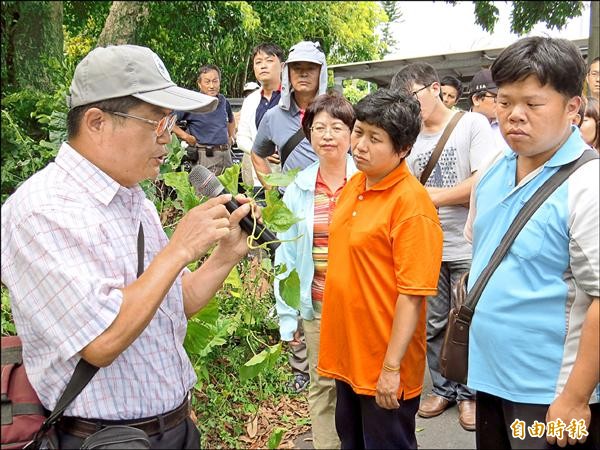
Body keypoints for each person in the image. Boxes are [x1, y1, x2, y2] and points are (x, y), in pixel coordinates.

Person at [0, 45, 257, 449]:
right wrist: (178, 250)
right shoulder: (40, 212)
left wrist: (225, 255)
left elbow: (178, 299)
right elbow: (102, 342)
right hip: (104, 439)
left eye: (170, 121)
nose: (168, 137)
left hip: (173, 429)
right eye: (156, 121)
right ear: (97, 122)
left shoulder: (133, 198)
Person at [465, 36, 599, 450]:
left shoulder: (588, 185)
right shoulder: (493, 169)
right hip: (489, 380)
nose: (514, 116)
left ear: (572, 107)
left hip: (549, 397)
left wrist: (575, 398)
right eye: (504, 102)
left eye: (533, 104)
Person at [317, 89, 443, 449]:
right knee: (351, 442)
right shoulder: (355, 184)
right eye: (358, 132)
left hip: (384, 363)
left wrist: (391, 369)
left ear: (403, 149)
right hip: (347, 354)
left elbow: (413, 295)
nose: (360, 145)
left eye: (375, 139)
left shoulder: (412, 205)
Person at [390, 62, 495, 431]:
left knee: (467, 320)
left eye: (413, 96)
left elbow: (484, 180)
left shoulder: (473, 125)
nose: (410, 105)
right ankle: (445, 388)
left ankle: (470, 395)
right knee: (433, 322)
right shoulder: (408, 136)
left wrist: (432, 198)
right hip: (426, 245)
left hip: (467, 242)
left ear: (435, 88)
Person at [274, 94, 357, 449]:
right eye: (319, 127)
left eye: (337, 127)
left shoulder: (367, 181)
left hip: (361, 306)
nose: (328, 135)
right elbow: (286, 257)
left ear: (352, 134)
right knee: (323, 385)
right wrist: (287, 317)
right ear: (308, 135)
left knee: (360, 386)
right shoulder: (299, 188)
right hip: (318, 304)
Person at [251, 40, 328, 189]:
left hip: (331, 204)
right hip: (290, 206)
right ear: (288, 72)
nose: (303, 74)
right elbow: (257, 154)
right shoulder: (273, 116)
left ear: (321, 72)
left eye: (311, 68)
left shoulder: (337, 114)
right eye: (297, 68)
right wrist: (273, 190)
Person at [237, 43, 285, 196]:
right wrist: (260, 151)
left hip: (290, 177)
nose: (263, 66)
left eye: (269, 60)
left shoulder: (293, 98)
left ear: (282, 66)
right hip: (260, 178)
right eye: (258, 62)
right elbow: (242, 137)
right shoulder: (250, 100)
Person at [173, 64, 236, 176]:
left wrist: (231, 136)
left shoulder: (223, 101)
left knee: (230, 191)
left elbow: (231, 120)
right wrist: (186, 137)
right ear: (199, 84)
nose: (212, 86)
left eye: (215, 81)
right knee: (207, 192)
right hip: (206, 157)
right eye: (207, 82)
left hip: (226, 155)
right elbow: (169, 122)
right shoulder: (193, 103)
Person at [469, 68, 507, 152]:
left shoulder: (507, 125)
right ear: (476, 99)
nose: (500, 103)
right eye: (495, 98)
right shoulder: (459, 129)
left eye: (502, 98)